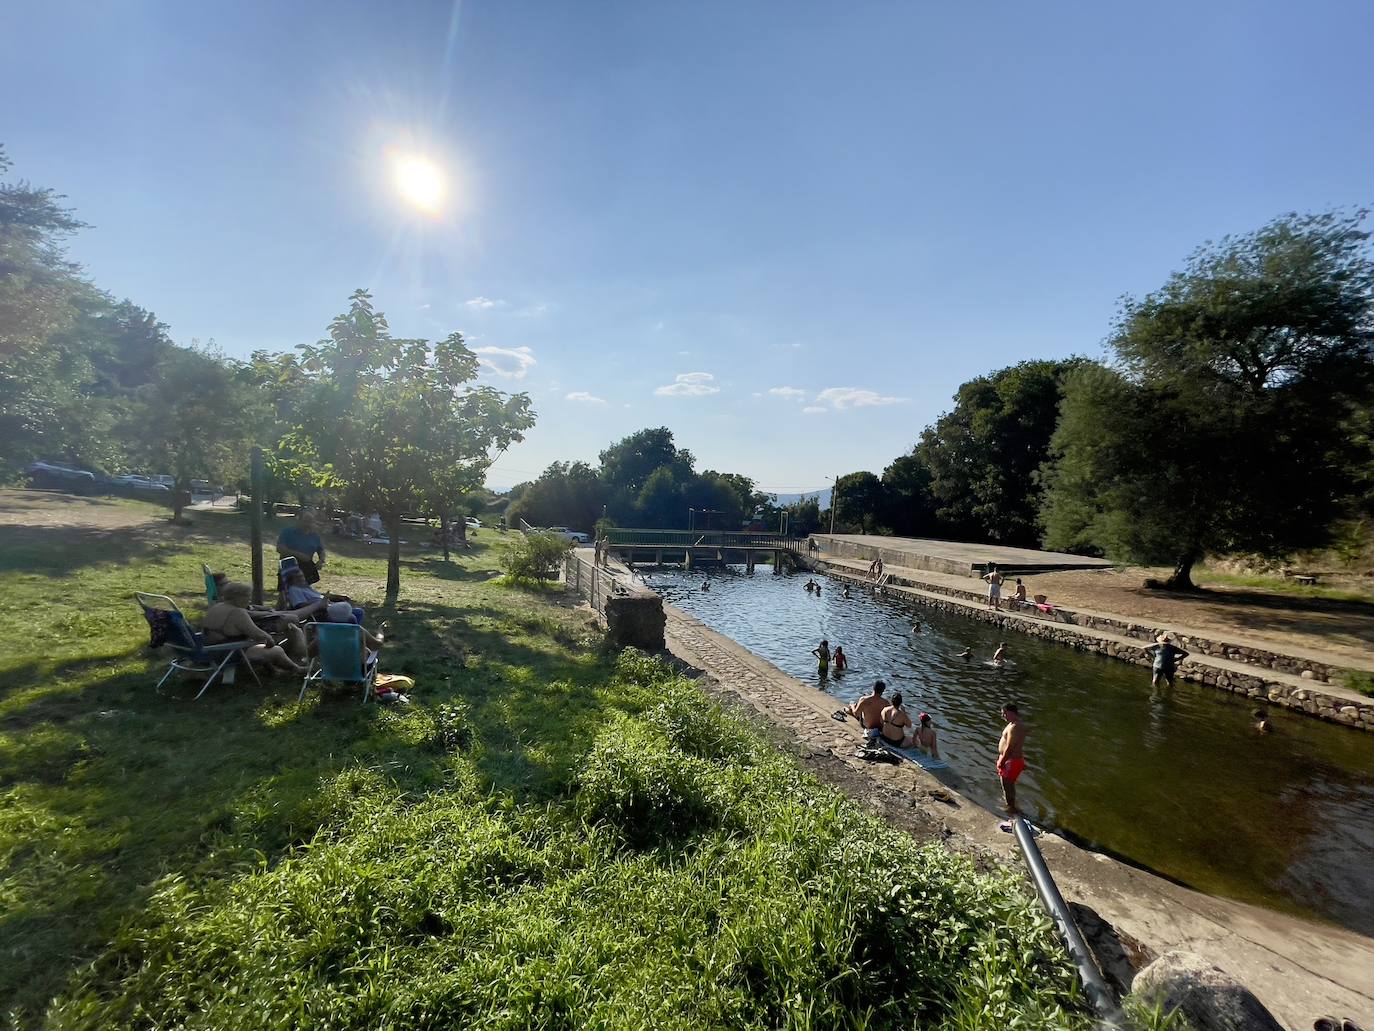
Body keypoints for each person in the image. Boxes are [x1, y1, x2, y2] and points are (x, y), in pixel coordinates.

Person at [202, 581, 307, 674]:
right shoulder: (238, 612)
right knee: (277, 650)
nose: (249, 600)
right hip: (229, 654)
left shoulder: (216, 607)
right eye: (248, 596)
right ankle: (296, 669)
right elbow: (258, 634)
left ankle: (274, 670)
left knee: (257, 644)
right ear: (238, 597)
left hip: (209, 651)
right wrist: (270, 639)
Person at [283, 567, 363, 625]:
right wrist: (319, 605)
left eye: (302, 576)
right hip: (320, 614)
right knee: (351, 618)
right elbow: (299, 605)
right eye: (298, 578)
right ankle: (353, 637)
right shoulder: (294, 590)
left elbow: (319, 596)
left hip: (329, 607)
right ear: (292, 580)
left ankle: (350, 634)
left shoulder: (306, 587)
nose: (302, 579)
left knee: (359, 612)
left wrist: (337, 597)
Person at [277, 511, 327, 584]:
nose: (308, 524)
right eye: (306, 521)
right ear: (299, 520)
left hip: (306, 569)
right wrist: (298, 555)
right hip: (288, 567)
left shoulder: (314, 536)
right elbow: (279, 548)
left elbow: (321, 550)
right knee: (286, 593)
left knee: (303, 593)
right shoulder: (287, 532)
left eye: (310, 522)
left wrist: (321, 561)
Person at [996, 703, 1028, 816]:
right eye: (1002, 713)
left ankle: (1011, 810)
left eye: (1005, 713)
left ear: (1013, 712)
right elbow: (1019, 746)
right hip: (1013, 760)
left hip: (1010, 761)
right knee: (1009, 786)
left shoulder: (1015, 727)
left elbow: (1010, 747)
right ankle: (1011, 806)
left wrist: (1002, 761)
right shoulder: (1014, 724)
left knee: (1007, 787)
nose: (1003, 715)